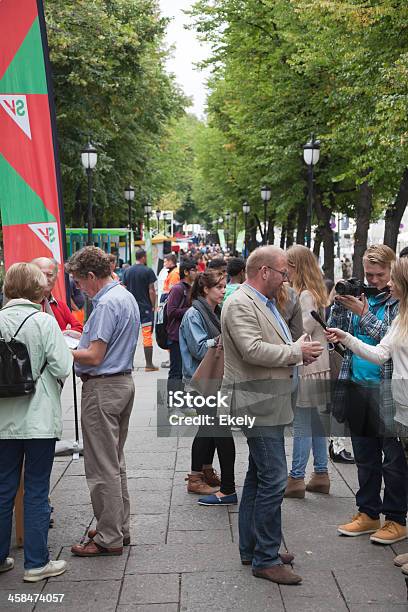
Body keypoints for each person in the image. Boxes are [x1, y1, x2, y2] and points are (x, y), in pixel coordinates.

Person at [221, 246, 323, 585]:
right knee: (275, 479)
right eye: (282, 272)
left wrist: (297, 356)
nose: (287, 278)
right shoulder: (240, 303)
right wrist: (296, 352)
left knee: (258, 476)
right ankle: (265, 558)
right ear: (264, 271)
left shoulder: (262, 302)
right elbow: (252, 350)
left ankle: (253, 548)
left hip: (268, 400)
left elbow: (269, 346)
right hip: (257, 402)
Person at [327, 256, 408, 568]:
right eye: (370, 275)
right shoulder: (389, 307)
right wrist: (342, 324)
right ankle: (368, 512)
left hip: (386, 395)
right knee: (365, 457)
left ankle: (396, 519)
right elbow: (379, 350)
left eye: (383, 276)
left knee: (395, 465)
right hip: (359, 386)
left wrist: (363, 314)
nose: (377, 282)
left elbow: (383, 343)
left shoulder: (395, 307)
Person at [0, 263, 73, 581]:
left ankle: (1, 557)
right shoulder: (43, 321)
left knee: (3, 488)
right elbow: (62, 367)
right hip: (38, 417)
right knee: (36, 489)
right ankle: (36, 563)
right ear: (36, 289)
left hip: (3, 420)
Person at [66, 247, 140, 557]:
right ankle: (117, 527)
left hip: (103, 388)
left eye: (79, 282)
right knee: (115, 461)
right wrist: (78, 336)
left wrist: (63, 348)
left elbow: (95, 356)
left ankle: (109, 536)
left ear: (92, 276)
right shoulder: (123, 296)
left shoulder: (107, 303)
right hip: (120, 383)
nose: (79, 288)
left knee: (101, 466)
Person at [180, 269, 237, 502]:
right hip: (200, 379)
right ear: (206, 290)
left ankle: (204, 470)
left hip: (215, 379)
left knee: (211, 427)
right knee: (208, 427)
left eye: (224, 286)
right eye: (219, 287)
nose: (224, 291)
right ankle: (195, 478)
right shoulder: (194, 314)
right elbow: (199, 348)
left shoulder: (216, 311)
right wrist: (224, 338)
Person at [284, 245, 331, 499]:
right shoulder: (315, 291)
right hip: (317, 364)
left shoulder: (304, 295)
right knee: (315, 421)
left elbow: (300, 330)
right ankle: (321, 474)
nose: (285, 271)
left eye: (287, 266)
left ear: (296, 266)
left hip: (308, 365)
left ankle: (296, 478)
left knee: (303, 421)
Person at [123, 248, 158, 372]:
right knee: (147, 335)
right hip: (145, 308)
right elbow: (151, 290)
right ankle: (149, 365)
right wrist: (153, 305)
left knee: (130, 335)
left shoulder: (127, 271)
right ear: (143, 257)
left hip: (131, 308)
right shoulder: (148, 271)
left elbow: (124, 289)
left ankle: (128, 365)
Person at [31, 257, 83, 333]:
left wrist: (62, 333)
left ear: (55, 278)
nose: (45, 278)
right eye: (41, 274)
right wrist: (66, 332)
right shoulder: (26, 304)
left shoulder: (61, 306)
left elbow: (79, 329)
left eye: (49, 275)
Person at [167, 259, 197, 386]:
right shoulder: (178, 289)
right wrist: (191, 310)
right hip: (176, 337)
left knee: (186, 371)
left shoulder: (191, 288)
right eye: (193, 270)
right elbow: (171, 311)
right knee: (176, 371)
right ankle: (172, 402)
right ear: (186, 272)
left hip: (187, 335)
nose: (196, 272)